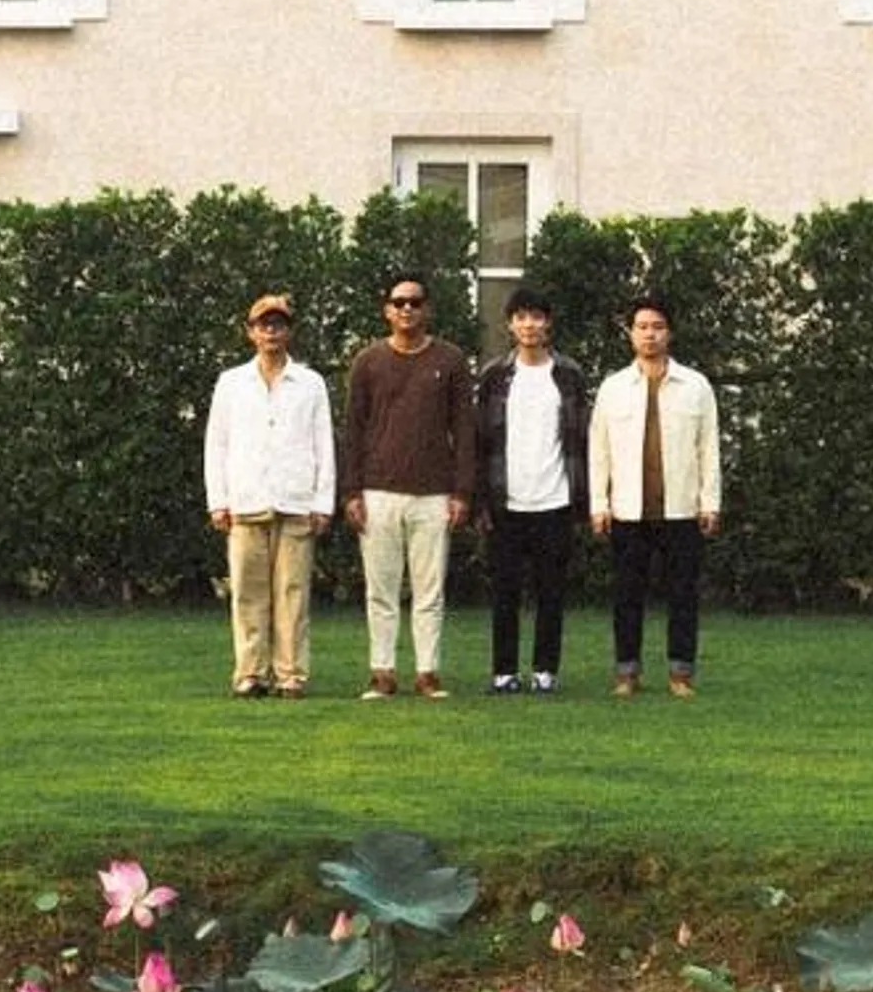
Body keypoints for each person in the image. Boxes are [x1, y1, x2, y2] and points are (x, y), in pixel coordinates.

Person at [342, 274, 476, 700]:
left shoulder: (451, 360)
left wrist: (462, 492)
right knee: (380, 590)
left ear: (427, 309)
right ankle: (382, 672)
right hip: (378, 491)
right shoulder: (368, 361)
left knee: (429, 590)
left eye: (415, 302)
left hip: (434, 493)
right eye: (398, 302)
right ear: (386, 310)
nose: (407, 310)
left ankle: (427, 672)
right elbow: (353, 430)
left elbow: (465, 431)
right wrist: (351, 492)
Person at [203, 293, 335, 700]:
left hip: (295, 502)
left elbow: (323, 444)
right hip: (246, 501)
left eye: (278, 325)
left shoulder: (310, 383)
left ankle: (291, 674)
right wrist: (218, 500)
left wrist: (322, 502)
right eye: (263, 325)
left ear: (289, 331)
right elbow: (217, 444)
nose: (271, 332)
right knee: (247, 592)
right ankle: (250, 672)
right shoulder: (231, 383)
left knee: (292, 593)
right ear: (250, 332)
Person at [589, 293, 720, 698]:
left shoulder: (696, 386)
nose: (650, 334)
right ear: (631, 333)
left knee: (683, 594)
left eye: (658, 326)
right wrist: (599, 503)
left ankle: (681, 673)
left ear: (671, 332)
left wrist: (710, 501)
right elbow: (599, 449)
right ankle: (627, 672)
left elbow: (709, 447)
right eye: (642, 327)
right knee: (627, 595)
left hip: (681, 508)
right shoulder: (613, 388)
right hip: (628, 510)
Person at [475, 284, 588, 694]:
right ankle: (504, 672)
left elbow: (580, 441)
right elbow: (482, 442)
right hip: (507, 500)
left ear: (549, 323)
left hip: (555, 498)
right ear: (510, 324)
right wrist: (483, 502)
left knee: (551, 592)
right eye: (521, 317)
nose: (529, 325)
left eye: (537, 317)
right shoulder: (494, 376)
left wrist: (582, 499)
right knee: (505, 592)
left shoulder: (570, 375)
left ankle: (545, 670)